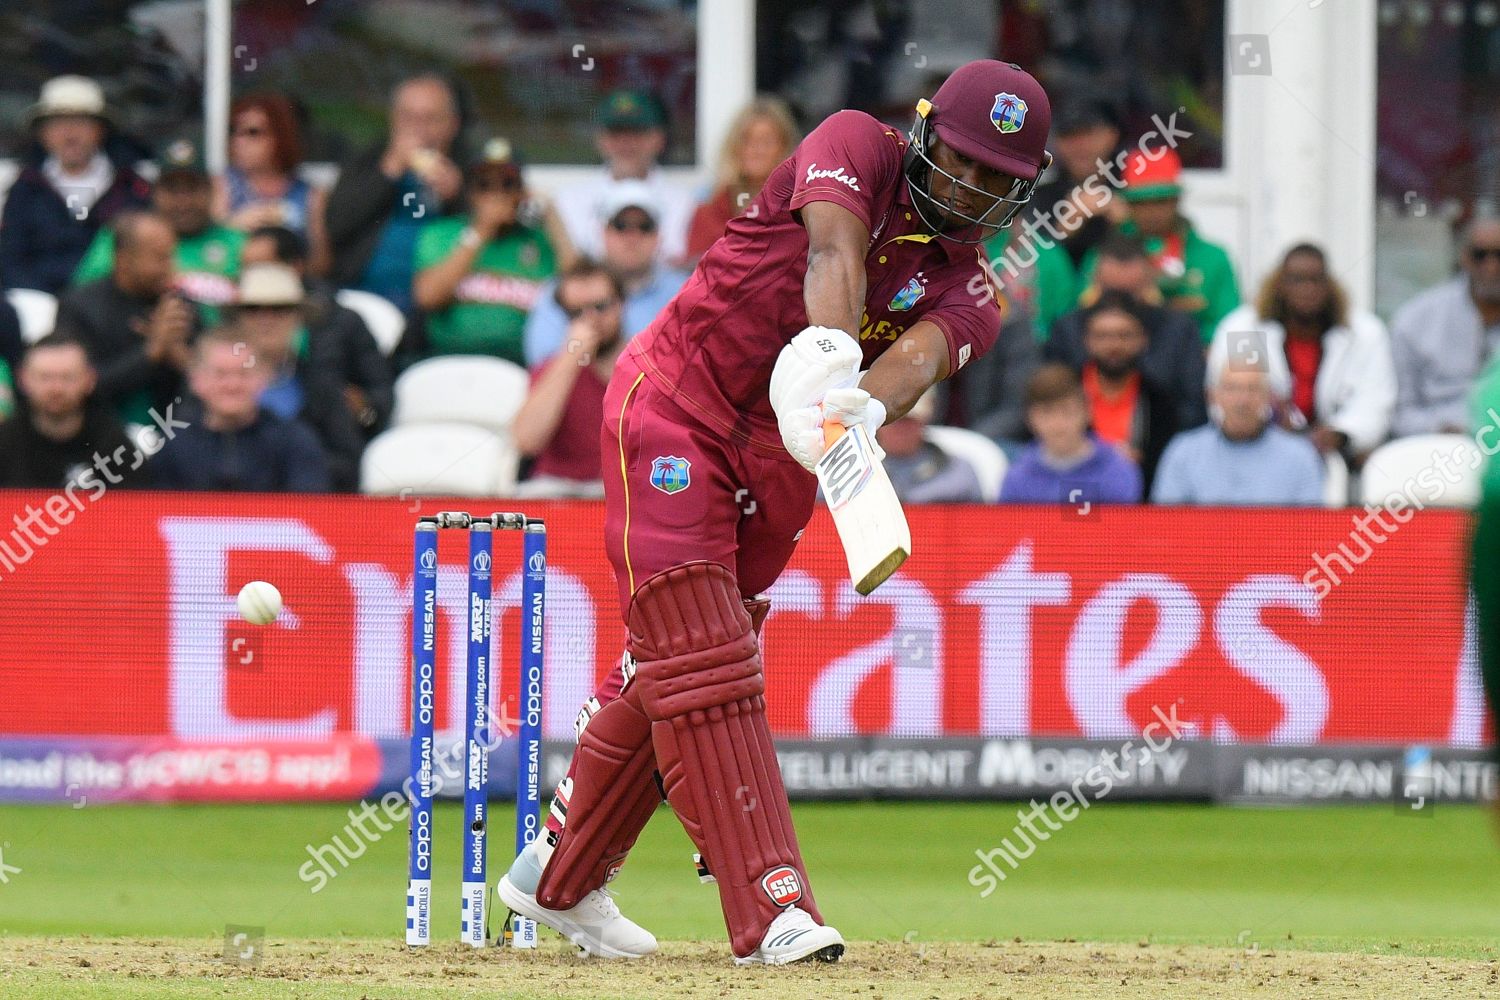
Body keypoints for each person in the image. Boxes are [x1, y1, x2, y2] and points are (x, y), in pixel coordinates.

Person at [496, 60, 1052, 967]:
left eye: (1000, 180)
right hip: (678, 402)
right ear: (922, 134)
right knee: (709, 658)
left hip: (789, 455)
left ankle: (555, 878)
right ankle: (773, 907)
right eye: (964, 161)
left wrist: (864, 405)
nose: (975, 188)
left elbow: (920, 359)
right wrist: (835, 362)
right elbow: (833, 252)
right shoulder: (852, 145)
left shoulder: (976, 288)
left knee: (677, 661)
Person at [1208, 243, 1395, 463]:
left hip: (1340, 455)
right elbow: (1228, 398)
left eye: (1315, 281)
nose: (1307, 290)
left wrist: (1340, 433)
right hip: (1257, 450)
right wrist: (1270, 423)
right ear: (1279, 285)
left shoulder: (1365, 333)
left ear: (1329, 285)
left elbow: (1375, 401)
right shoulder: (1242, 329)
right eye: (1297, 280)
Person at [326, 75, 466, 312]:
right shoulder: (367, 162)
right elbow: (336, 226)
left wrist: (458, 196)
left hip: (435, 303)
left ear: (453, 124)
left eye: (430, 119)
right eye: (408, 117)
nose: (419, 129)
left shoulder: (468, 169)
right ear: (393, 120)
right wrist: (389, 171)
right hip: (359, 295)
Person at [227, 263, 374, 491]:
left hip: (304, 508)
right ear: (238, 319)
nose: (266, 319)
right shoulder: (214, 384)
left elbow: (348, 463)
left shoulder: (322, 384)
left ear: (299, 318)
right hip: (223, 511)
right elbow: (188, 452)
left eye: (279, 309)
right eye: (254, 309)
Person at [0, 75, 151, 294]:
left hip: (112, 305)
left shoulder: (131, 187)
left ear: (101, 129)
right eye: (58, 123)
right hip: (38, 302)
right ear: (43, 133)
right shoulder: (24, 188)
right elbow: (11, 259)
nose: (70, 134)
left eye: (81, 122)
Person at [242, 225, 393, 439]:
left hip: (323, 439)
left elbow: (381, 394)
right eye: (245, 268)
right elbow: (186, 419)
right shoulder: (229, 332)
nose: (265, 318)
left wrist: (364, 411)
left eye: (279, 309)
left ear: (294, 267)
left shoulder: (343, 323)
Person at [412, 140, 556, 365]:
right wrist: (480, 230)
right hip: (447, 362)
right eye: (484, 185)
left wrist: (550, 212)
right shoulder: (442, 233)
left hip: (519, 365)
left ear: (521, 191)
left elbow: (577, 284)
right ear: (470, 193)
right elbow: (427, 297)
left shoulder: (537, 240)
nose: (496, 194)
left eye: (507, 184)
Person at [1045, 231, 1207, 431]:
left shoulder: (1179, 330)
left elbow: (1194, 406)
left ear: (1149, 281)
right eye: (1110, 295)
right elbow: (1050, 399)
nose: (1119, 308)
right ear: (1096, 282)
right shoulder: (1068, 329)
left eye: (1130, 296)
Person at [55, 212, 203, 425]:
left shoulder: (179, 304)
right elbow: (80, 388)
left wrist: (177, 354)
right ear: (123, 260)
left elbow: (212, 383)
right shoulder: (79, 307)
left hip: (175, 431)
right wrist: (152, 351)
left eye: (171, 257)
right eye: (160, 258)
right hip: (101, 434)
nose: (170, 268)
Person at [523, 182, 689, 367]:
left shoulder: (685, 291)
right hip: (582, 393)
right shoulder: (565, 287)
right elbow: (541, 361)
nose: (632, 236)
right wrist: (580, 349)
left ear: (659, 234)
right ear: (602, 231)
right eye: (621, 225)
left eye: (645, 226)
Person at [1080, 147, 1239, 340]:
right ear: (1127, 204)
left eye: (1161, 200)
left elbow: (1233, 325)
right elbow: (1082, 316)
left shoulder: (1213, 257)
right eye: (1141, 202)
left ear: (1177, 199)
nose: (1152, 211)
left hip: (1194, 360)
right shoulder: (1104, 255)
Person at [74, 139, 243, 311]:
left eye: (193, 188)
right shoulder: (125, 234)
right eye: (172, 189)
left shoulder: (238, 242)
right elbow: (85, 299)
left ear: (211, 190)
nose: (183, 202)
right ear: (154, 192)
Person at [149, 329, 328, 492]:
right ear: (196, 379)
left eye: (244, 374)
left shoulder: (295, 441)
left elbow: (309, 508)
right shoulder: (173, 444)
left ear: (264, 377)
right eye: (220, 374)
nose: (233, 385)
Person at [510, 261, 626, 498]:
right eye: (576, 312)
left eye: (601, 306)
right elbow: (526, 442)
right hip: (557, 490)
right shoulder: (551, 368)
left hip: (623, 492)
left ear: (621, 304)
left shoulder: (646, 368)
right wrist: (572, 356)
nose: (591, 318)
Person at [1151, 359, 1324, 506]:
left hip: (1277, 545)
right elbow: (1165, 525)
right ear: (1212, 396)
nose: (1243, 400)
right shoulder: (1184, 451)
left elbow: (1310, 530)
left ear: (1268, 397)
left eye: (1253, 389)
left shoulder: (1299, 455)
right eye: (1232, 388)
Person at [552, 89, 695, 265]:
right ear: (600, 139)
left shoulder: (685, 202)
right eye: (616, 132)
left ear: (659, 138)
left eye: (637, 133)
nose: (626, 143)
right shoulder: (570, 199)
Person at [1390, 217, 1500, 437]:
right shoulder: (1416, 320)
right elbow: (1399, 413)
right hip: (1438, 447)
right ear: (1464, 258)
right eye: (1480, 255)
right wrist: (1440, 428)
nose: (1492, 266)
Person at [1076, 290, 1185, 489]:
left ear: (1143, 340)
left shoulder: (1160, 401)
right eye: (1103, 336)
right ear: (1087, 340)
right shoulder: (1067, 392)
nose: (1114, 345)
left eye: (1125, 335)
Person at [213, 94, 331, 276]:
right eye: (233, 131)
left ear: (282, 136)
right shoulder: (222, 186)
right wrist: (232, 227)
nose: (238, 141)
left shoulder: (310, 195)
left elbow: (321, 265)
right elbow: (207, 252)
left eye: (253, 132)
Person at [0, 334, 135, 488]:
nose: (56, 389)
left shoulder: (115, 446)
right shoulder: (4, 444)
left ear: (90, 379)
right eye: (45, 377)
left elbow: (137, 507)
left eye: (67, 377)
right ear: (22, 379)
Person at [1000, 363, 1141, 503]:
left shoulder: (1116, 469)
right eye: (1046, 413)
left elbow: (1120, 524)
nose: (1058, 424)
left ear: (1087, 412)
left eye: (1067, 411)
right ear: (1030, 418)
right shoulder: (1017, 476)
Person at [685, 98, 799, 262]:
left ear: (784, 146)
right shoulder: (711, 208)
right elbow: (698, 272)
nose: (757, 150)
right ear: (735, 146)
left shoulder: (798, 208)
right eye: (748, 140)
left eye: (766, 141)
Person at [1027, 97, 1123, 267]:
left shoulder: (1135, 184)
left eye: (1087, 133)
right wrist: (1062, 230)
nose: (1079, 145)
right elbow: (1026, 272)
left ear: (1111, 135)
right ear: (1056, 142)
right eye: (1068, 135)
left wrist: (1128, 224)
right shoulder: (1037, 195)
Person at [954, 297, 1040, 447]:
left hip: (990, 439)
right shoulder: (915, 311)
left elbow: (1016, 408)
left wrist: (966, 444)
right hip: (926, 441)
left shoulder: (1011, 319)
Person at [875, 387, 984, 503]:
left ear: (926, 419)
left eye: (908, 420)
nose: (900, 428)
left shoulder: (959, 471)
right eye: (892, 421)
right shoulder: (857, 466)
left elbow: (979, 518)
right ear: (877, 422)